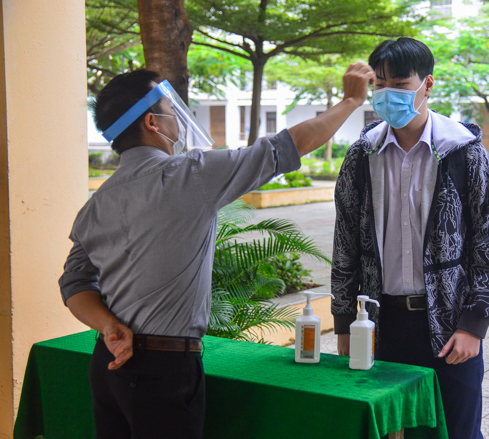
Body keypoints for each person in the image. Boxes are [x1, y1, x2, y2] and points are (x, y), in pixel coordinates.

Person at [59, 64, 374, 439]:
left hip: (108, 364)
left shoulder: (97, 204)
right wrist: (352, 101)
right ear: (152, 122)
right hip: (164, 371)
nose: (179, 120)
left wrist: (108, 326)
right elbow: (287, 147)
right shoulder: (189, 175)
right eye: (173, 112)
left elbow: (75, 283)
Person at [331, 37, 489, 439]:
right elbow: (345, 245)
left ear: (427, 85)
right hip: (379, 324)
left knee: (456, 431)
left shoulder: (463, 151)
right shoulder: (362, 156)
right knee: (387, 430)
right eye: (379, 84)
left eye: (400, 85)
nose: (386, 94)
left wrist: (473, 325)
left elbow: (488, 243)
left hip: (447, 326)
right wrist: (343, 323)